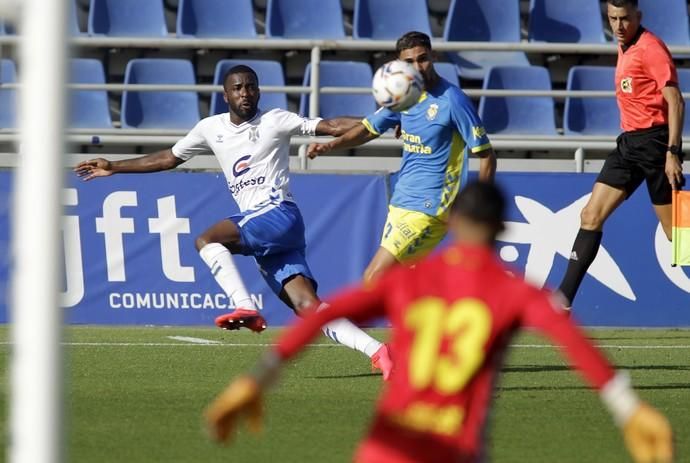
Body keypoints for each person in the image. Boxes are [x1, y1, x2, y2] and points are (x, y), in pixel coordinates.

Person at [205, 182, 673, 463]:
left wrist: (258, 380)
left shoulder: (412, 280)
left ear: (453, 222)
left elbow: (322, 315)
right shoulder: (515, 291)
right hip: (452, 447)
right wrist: (627, 407)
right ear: (499, 230)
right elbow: (573, 343)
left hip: (386, 446)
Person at [74, 64, 393, 377]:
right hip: (273, 233)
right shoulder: (210, 128)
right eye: (238, 87)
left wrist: (384, 118)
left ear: (258, 91)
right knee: (307, 306)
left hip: (278, 213)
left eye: (251, 86)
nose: (246, 92)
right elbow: (168, 158)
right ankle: (379, 352)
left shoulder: (275, 120)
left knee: (206, 240)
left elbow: (332, 124)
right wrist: (114, 166)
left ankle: (246, 307)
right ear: (225, 95)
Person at [307, 31, 497, 283]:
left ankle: (340, 324)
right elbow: (367, 129)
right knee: (399, 284)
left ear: (434, 56)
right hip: (401, 202)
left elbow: (487, 155)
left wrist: (479, 206)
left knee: (373, 278)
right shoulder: (404, 95)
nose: (417, 66)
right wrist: (331, 146)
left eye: (423, 59)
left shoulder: (452, 100)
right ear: (399, 64)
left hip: (430, 206)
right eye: (409, 62)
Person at [558, 0, 685, 312]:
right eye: (612, 18)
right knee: (590, 215)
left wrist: (672, 152)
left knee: (680, 240)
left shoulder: (651, 48)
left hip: (656, 145)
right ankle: (561, 300)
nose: (618, 26)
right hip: (628, 144)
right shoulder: (624, 45)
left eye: (625, 18)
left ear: (638, 16)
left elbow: (676, 101)